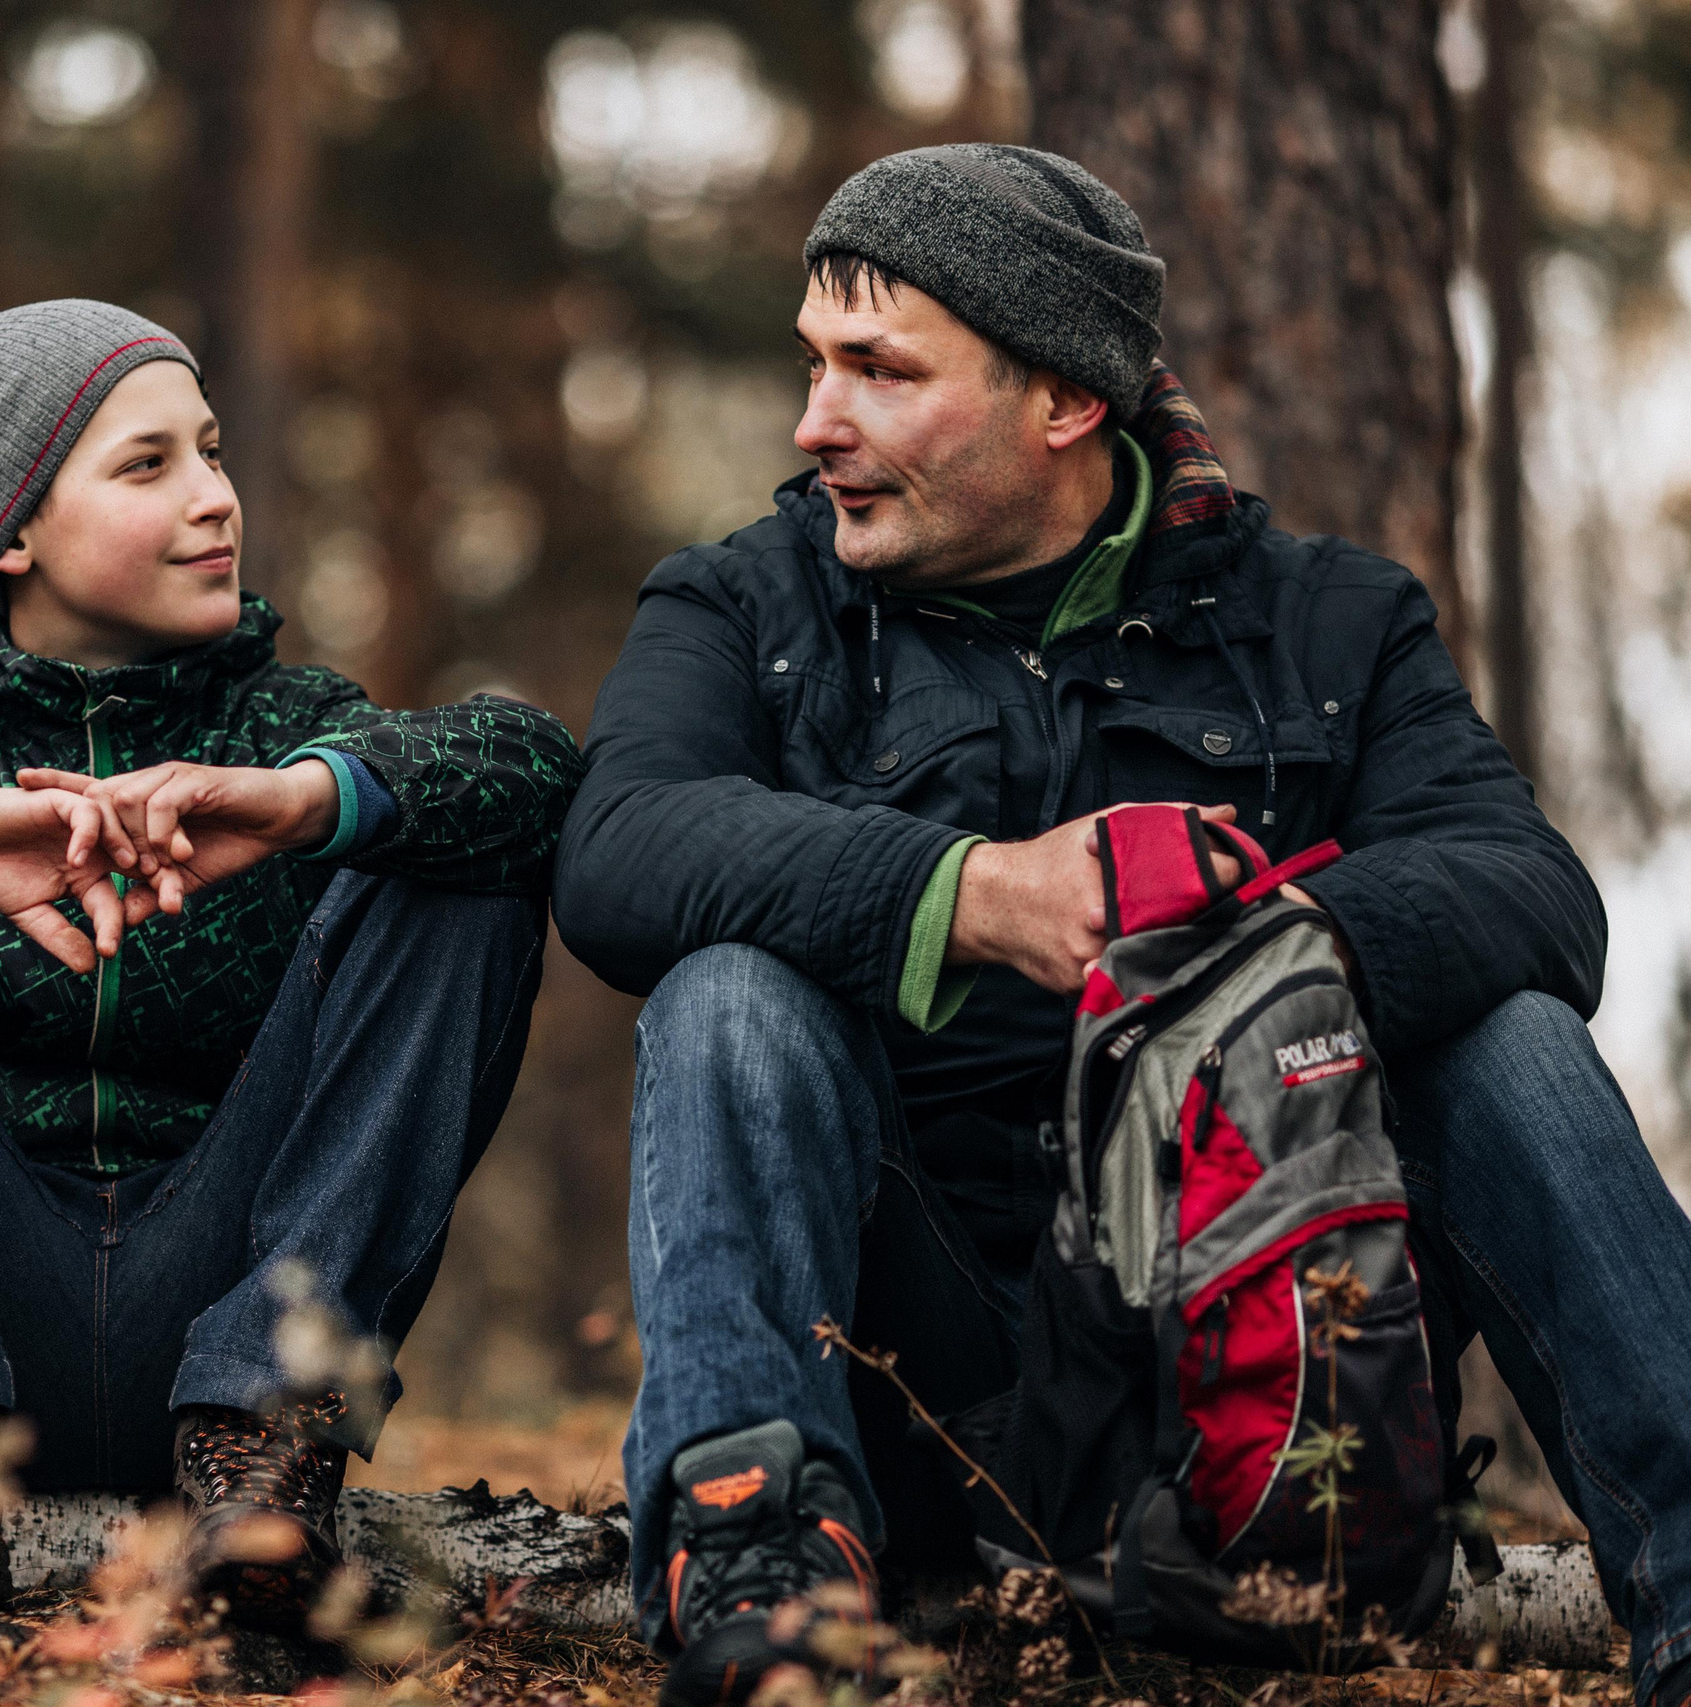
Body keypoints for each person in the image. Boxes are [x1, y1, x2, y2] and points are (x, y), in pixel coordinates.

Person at [554, 145, 1691, 1707]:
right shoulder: (747, 609)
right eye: (815, 364)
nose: (817, 423)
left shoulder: (1333, 621)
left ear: (1066, 402)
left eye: (880, 371)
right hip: (923, 1390)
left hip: (1258, 1380)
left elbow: (1537, 896)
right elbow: (617, 851)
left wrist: (1246, 953)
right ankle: (763, 1582)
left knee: (1509, 1035)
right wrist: (971, 896)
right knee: (727, 991)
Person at [0, 300, 582, 1626]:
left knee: (456, 862)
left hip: (234, 1325)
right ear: (6, 534)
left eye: (212, 450)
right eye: (149, 465)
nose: (215, 499)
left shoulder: (295, 724)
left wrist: (306, 802)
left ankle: (271, 1444)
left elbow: (527, 765)